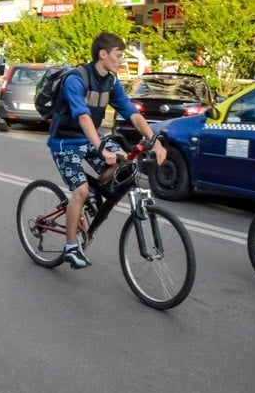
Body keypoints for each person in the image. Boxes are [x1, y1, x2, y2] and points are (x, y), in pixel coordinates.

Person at [47, 31, 166, 269]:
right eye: (118, 55)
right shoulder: (76, 79)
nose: (122, 60)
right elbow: (82, 117)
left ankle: (94, 194)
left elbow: (131, 113)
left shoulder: (111, 82)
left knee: (126, 165)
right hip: (65, 141)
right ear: (103, 54)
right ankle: (71, 246)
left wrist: (155, 141)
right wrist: (101, 147)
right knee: (80, 191)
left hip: (91, 138)